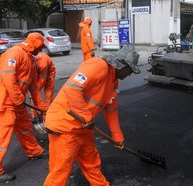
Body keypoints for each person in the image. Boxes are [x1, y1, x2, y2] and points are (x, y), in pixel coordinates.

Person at [43, 45, 140, 186]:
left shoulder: (114, 80)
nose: (130, 73)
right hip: (65, 126)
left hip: (82, 126)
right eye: (130, 70)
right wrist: (86, 117)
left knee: (92, 163)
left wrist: (117, 135)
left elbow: (111, 110)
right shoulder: (98, 65)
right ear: (121, 65)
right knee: (60, 171)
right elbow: (72, 89)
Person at [0, 33, 49, 182]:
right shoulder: (15, 53)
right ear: (33, 43)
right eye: (40, 46)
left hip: (17, 102)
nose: (41, 50)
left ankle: (34, 151)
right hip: (6, 101)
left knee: (25, 128)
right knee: (3, 136)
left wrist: (42, 107)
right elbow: (8, 78)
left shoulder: (31, 60)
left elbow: (33, 88)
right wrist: (17, 99)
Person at [29, 52, 56, 120]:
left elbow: (42, 79)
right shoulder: (28, 61)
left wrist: (34, 91)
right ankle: (35, 114)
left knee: (48, 92)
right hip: (38, 72)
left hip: (50, 72)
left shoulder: (42, 63)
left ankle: (47, 112)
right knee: (34, 94)